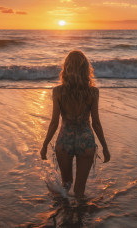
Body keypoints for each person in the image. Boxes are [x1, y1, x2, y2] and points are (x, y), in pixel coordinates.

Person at [40, 50, 110, 199]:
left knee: (66, 185)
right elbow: (96, 123)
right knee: (79, 191)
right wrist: (105, 147)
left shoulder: (58, 91)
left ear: (66, 68)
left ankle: (64, 214)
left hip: (65, 141)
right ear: (86, 69)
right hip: (86, 141)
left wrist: (45, 144)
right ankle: (79, 217)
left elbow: (54, 122)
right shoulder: (93, 92)